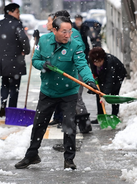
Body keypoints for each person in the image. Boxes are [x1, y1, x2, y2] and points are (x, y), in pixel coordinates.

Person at [14, 16, 98, 170]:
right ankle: (32, 155)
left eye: (70, 31)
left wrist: (89, 80)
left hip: (68, 92)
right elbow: (35, 60)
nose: (68, 35)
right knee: (39, 124)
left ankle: (69, 159)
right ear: (54, 30)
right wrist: (43, 65)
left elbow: (82, 64)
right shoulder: (44, 41)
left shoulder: (75, 44)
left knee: (69, 126)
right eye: (64, 32)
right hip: (48, 91)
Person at [48, 10, 92, 135]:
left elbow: (80, 49)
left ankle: (84, 124)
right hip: (65, 70)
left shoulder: (73, 33)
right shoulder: (59, 33)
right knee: (69, 97)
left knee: (75, 97)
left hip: (75, 69)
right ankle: (70, 123)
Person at [0, 3, 30, 117]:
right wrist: (25, 51)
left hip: (2, 62)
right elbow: (24, 39)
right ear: (10, 12)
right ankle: (11, 111)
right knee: (14, 87)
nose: (19, 14)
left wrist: (2, 46)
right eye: (17, 12)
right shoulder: (17, 24)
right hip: (15, 60)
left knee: (5, 84)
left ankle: (3, 103)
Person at [88, 47, 127, 124]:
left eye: (99, 61)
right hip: (102, 75)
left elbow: (110, 80)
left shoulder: (110, 62)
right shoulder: (92, 60)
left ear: (103, 58)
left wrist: (105, 95)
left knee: (114, 95)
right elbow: (93, 71)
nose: (97, 64)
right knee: (98, 93)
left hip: (117, 76)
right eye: (95, 62)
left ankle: (114, 116)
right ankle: (101, 116)